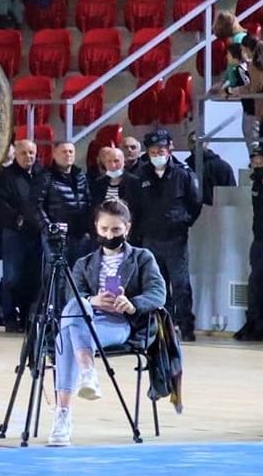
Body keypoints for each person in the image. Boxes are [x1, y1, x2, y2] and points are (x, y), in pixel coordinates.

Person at [48, 200, 166, 446]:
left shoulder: (143, 258)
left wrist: (132, 303)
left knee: (65, 336)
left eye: (115, 230)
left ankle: (64, 413)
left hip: (121, 323)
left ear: (127, 228)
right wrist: (93, 300)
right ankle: (85, 377)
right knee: (76, 309)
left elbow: (158, 292)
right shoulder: (84, 263)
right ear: (96, 227)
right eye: (104, 229)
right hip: (88, 317)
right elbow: (72, 295)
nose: (109, 235)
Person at [126, 129, 202, 340]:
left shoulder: (183, 174)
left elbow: (195, 203)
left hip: (176, 238)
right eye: (153, 151)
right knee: (156, 285)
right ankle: (162, 327)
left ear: (170, 149)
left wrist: (183, 221)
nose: (157, 154)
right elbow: (134, 206)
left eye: (161, 150)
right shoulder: (139, 175)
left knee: (180, 284)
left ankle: (186, 326)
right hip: (150, 238)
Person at [0, 139, 43, 332]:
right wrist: (17, 219)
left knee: (32, 277)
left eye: (31, 153)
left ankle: (28, 317)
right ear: (16, 154)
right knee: (11, 277)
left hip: (36, 233)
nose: (28, 156)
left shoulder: (41, 174)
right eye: (24, 153)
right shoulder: (5, 176)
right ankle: (9, 317)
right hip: (14, 233)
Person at [35, 140, 93, 262]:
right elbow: (36, 205)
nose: (68, 154)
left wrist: (89, 229)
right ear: (54, 154)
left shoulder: (80, 176)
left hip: (80, 235)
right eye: (64, 152)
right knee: (57, 271)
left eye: (71, 151)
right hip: (56, 237)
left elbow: (88, 203)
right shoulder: (46, 176)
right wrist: (49, 228)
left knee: (79, 270)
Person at [236, 147, 263, 341]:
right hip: (260, 240)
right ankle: (256, 324)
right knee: (256, 284)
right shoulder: (256, 183)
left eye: (262, 161)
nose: (258, 165)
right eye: (255, 162)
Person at [187, 131, 237, 207]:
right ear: (188, 144)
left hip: (216, 212)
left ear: (207, 142)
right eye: (192, 142)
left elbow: (231, 196)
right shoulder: (185, 169)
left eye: (200, 141)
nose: (196, 145)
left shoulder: (222, 167)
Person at [89, 145, 133, 210]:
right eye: (109, 161)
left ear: (124, 162)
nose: (113, 165)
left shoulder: (134, 182)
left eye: (116, 161)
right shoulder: (98, 184)